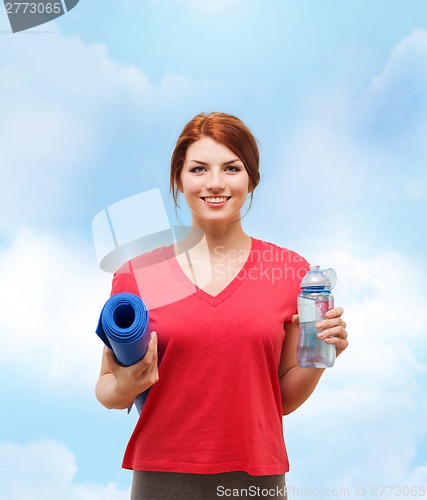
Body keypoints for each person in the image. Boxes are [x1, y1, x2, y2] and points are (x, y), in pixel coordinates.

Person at [95, 112, 348, 500]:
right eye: (199, 169)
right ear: (179, 180)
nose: (215, 183)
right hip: (162, 478)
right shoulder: (145, 275)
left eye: (231, 168)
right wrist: (128, 384)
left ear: (251, 178)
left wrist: (320, 354)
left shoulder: (287, 272)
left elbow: (279, 401)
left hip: (254, 480)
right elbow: (108, 390)